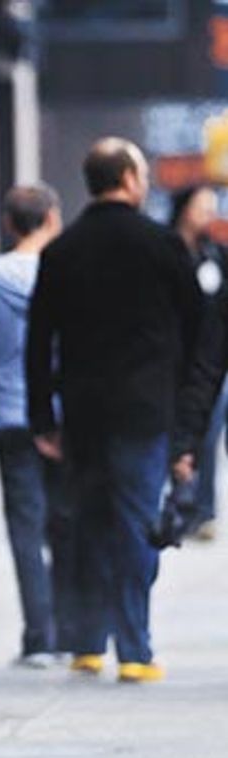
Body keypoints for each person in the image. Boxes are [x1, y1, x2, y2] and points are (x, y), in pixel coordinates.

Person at [26, 137, 200, 684]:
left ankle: (86, 643)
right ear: (127, 177)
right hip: (146, 412)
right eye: (142, 172)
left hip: (82, 411)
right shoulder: (163, 245)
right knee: (135, 523)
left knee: (88, 521)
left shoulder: (61, 250)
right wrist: (188, 422)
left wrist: (42, 419)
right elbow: (197, 333)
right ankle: (135, 649)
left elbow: (38, 341)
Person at [0, 184, 77, 667]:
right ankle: (70, 633)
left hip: (11, 419)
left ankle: (39, 638)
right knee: (65, 523)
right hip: (62, 418)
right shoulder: (67, 275)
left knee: (26, 528)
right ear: (50, 217)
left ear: (9, 224)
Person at [168, 185, 225, 541]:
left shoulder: (215, 254)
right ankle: (177, 502)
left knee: (209, 428)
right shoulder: (166, 250)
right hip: (171, 358)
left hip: (210, 359)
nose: (209, 213)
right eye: (202, 206)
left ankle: (203, 509)